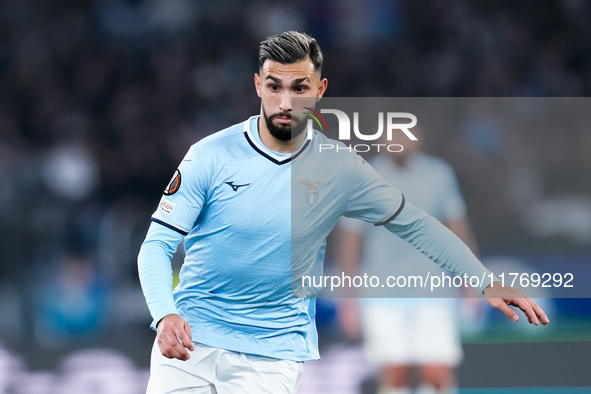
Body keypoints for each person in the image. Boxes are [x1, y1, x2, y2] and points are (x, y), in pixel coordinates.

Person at [137, 31, 548, 394]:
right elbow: (156, 245)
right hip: (191, 340)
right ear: (258, 85)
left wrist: (483, 279)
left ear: (320, 90)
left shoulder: (340, 168)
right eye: (275, 87)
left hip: (272, 353)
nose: (285, 101)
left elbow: (417, 225)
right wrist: (165, 315)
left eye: (299, 88)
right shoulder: (210, 155)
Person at [338, 128, 478, 394]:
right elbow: (350, 242)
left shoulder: (439, 174)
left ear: (418, 139)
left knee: (437, 372)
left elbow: (458, 229)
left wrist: (473, 282)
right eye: (392, 134)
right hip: (381, 293)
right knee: (394, 373)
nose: (398, 141)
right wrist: (348, 299)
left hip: (434, 290)